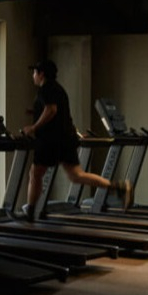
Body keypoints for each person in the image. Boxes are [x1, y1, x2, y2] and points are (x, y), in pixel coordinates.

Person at [20, 59, 131, 221]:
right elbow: (60, 113)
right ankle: (118, 187)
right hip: (66, 138)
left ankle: (30, 212)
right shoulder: (59, 89)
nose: (33, 76)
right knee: (76, 175)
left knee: (35, 173)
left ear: (41, 74)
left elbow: (51, 110)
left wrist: (33, 127)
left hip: (51, 141)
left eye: (34, 73)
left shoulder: (45, 89)